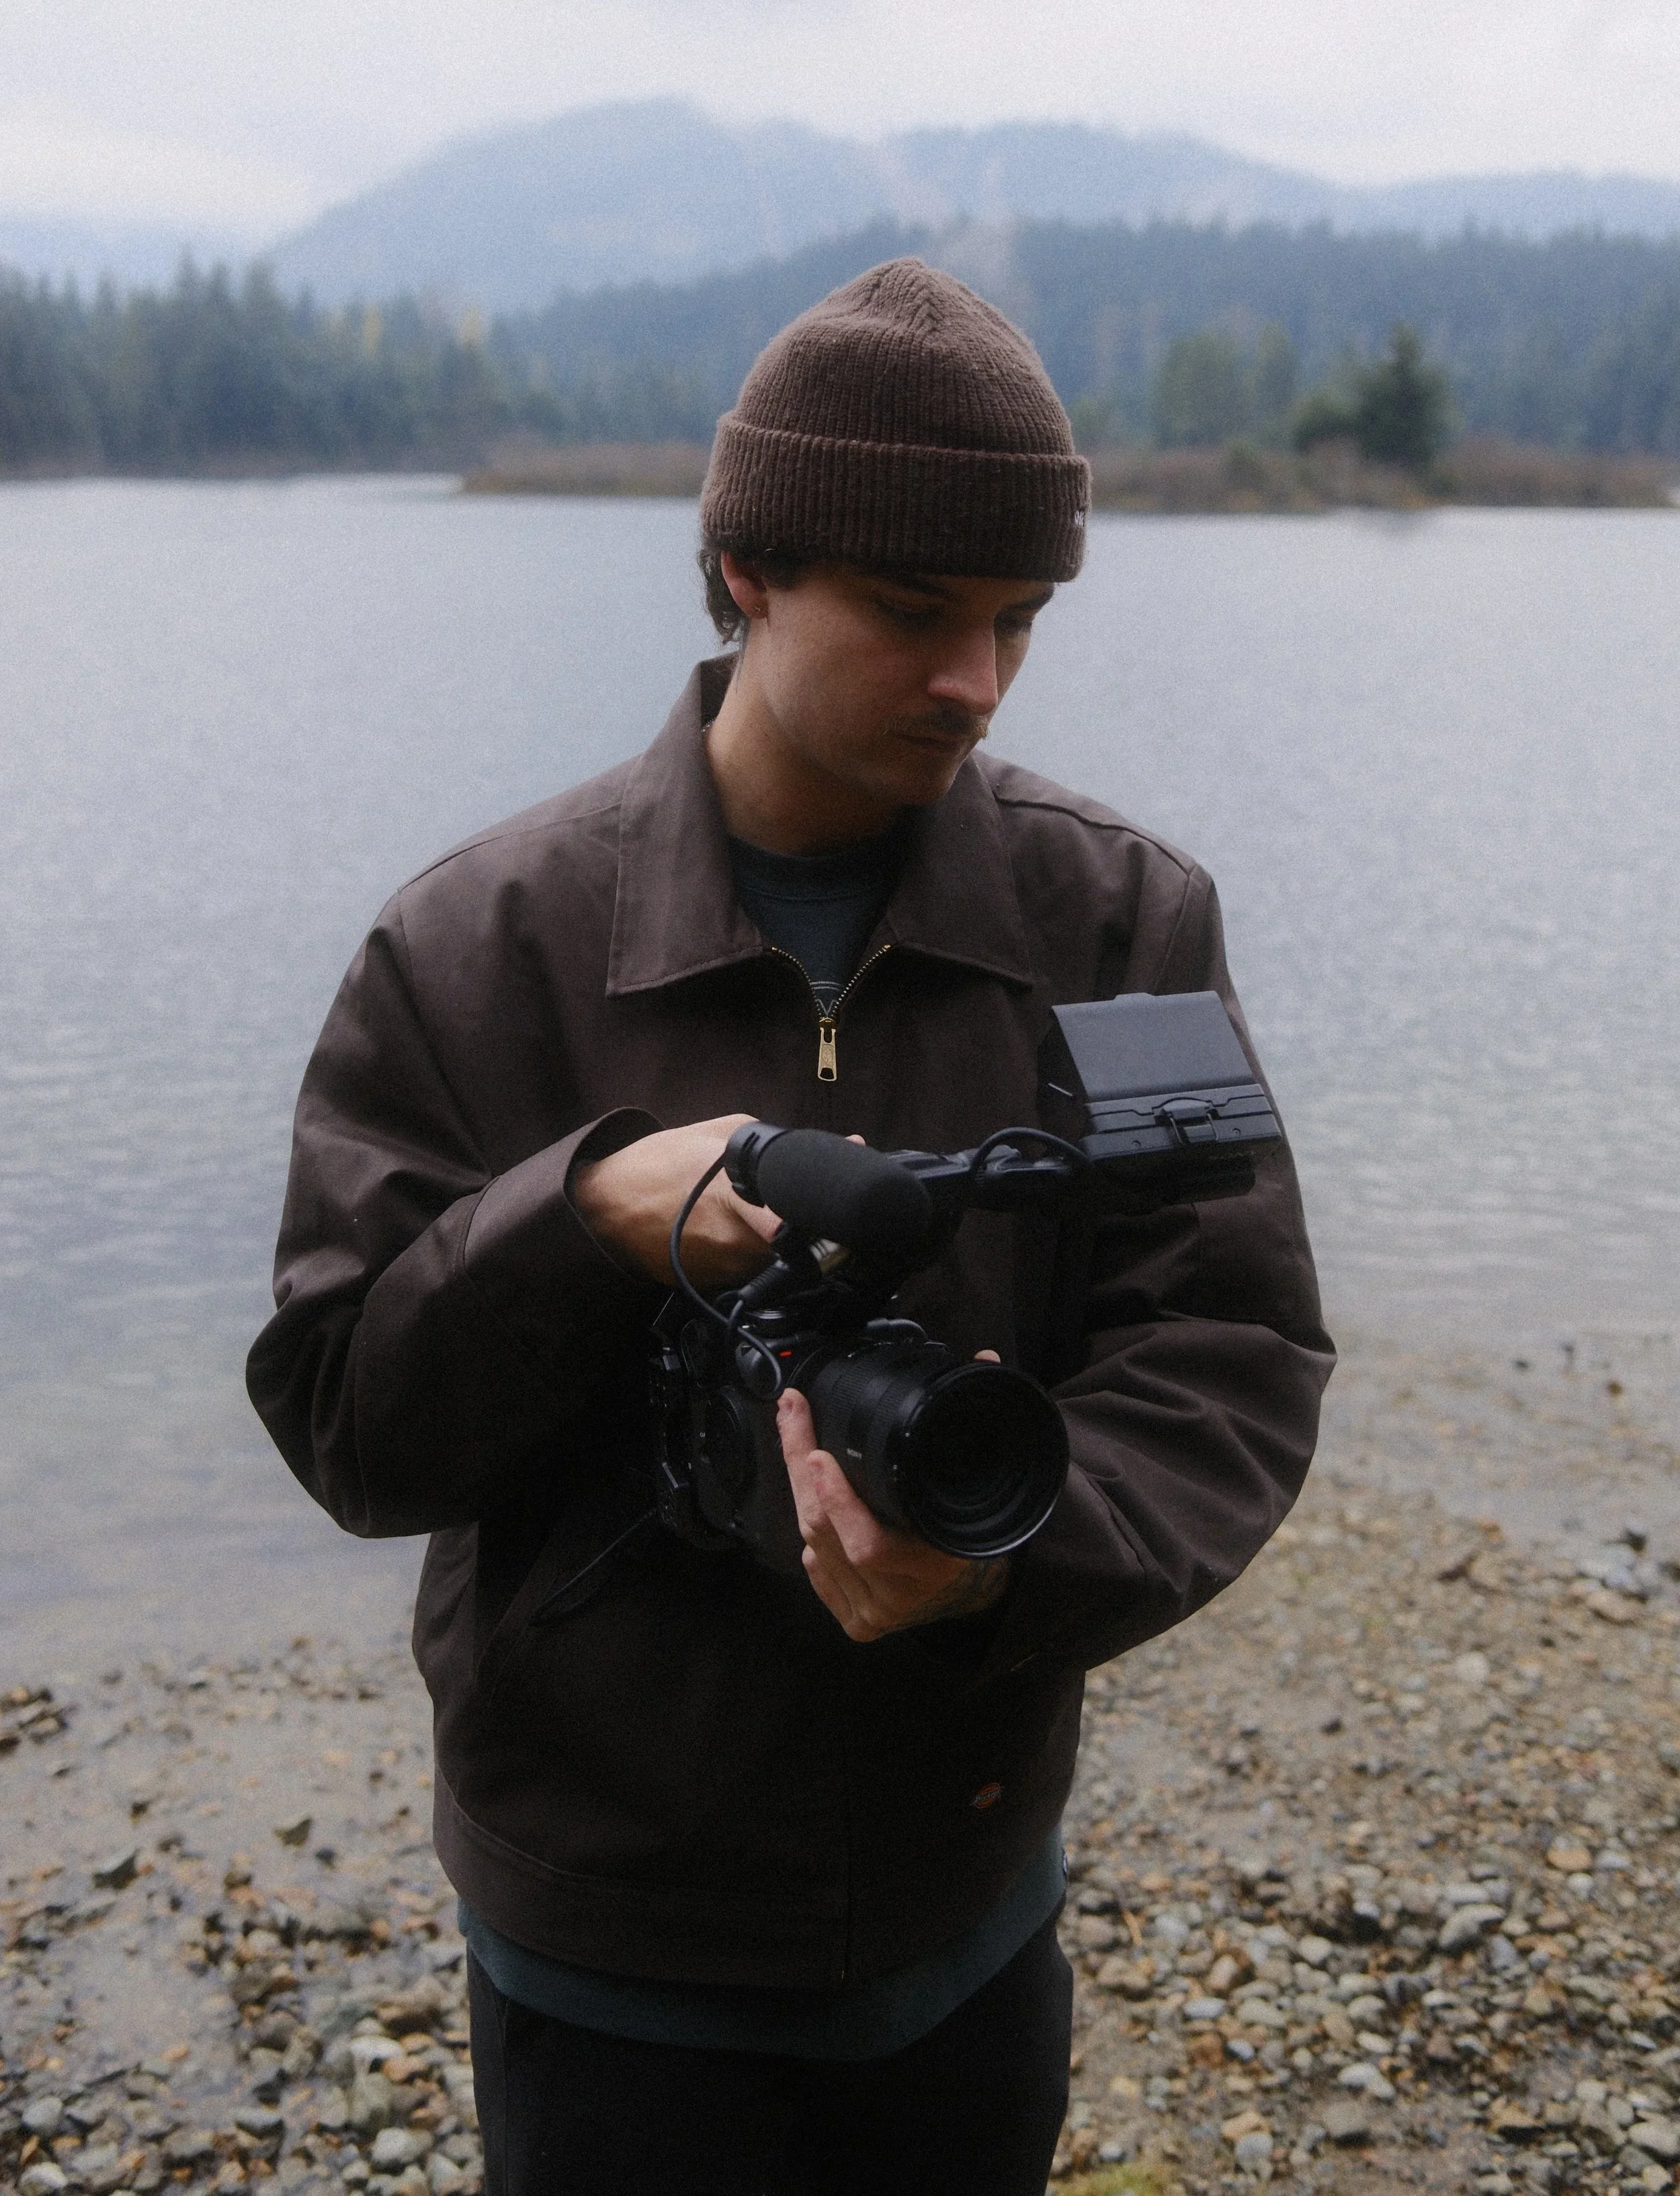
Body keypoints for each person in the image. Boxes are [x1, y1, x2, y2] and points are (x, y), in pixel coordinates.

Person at [248, 259, 1333, 2196]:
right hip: (607, 1943)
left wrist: (1003, 1564)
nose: (976, 682)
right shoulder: (474, 950)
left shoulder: (1115, 925)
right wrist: (583, 1215)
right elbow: (348, 1424)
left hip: (966, 1896)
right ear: (744, 569)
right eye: (916, 611)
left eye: (1019, 618)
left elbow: (1230, 1352)